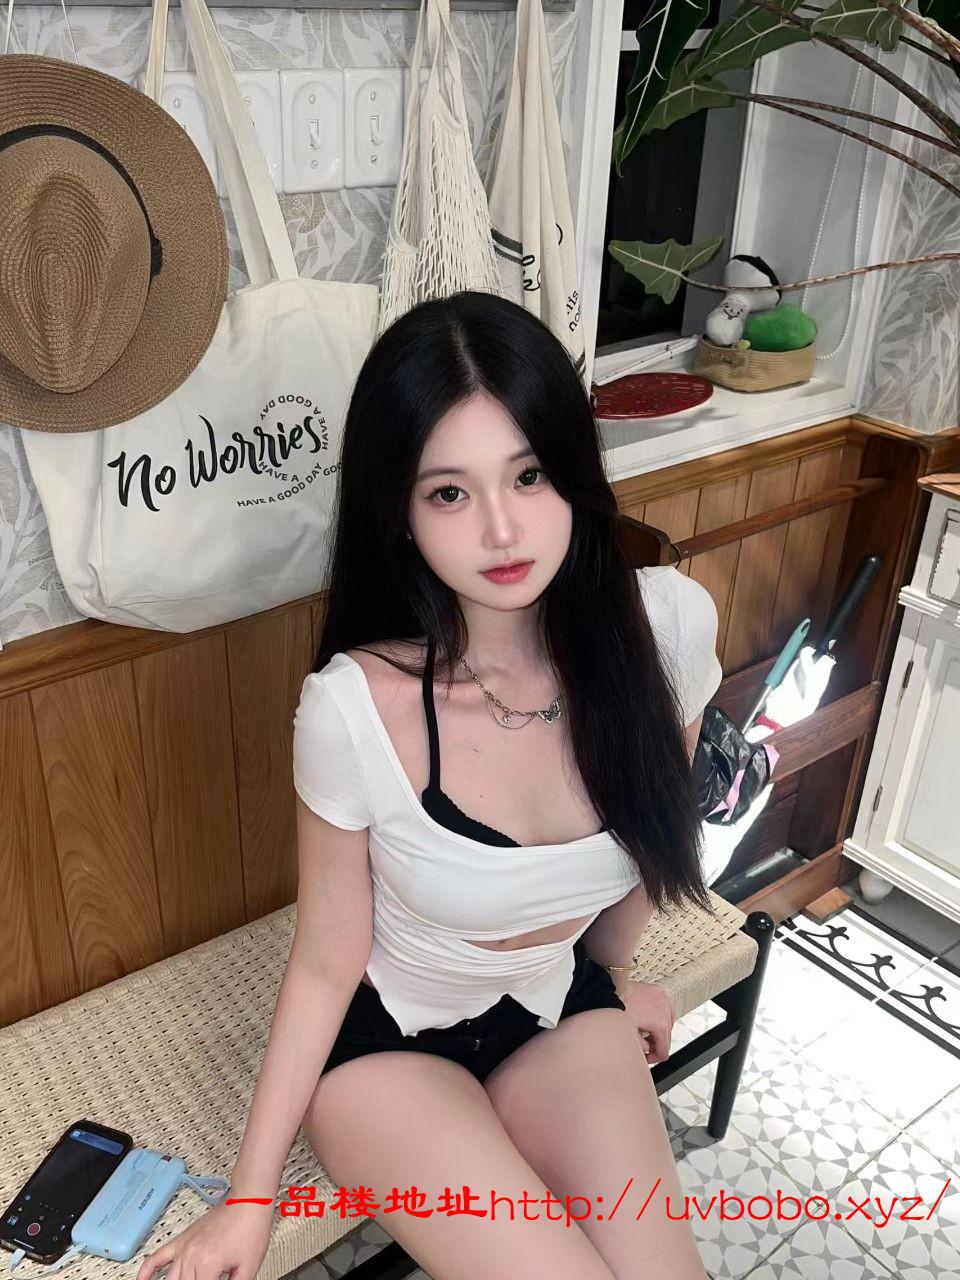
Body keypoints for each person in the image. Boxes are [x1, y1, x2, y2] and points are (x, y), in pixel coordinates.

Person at [136, 292, 723, 1280]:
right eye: (449, 492)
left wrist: (618, 977)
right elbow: (325, 962)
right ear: (401, 514)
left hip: (554, 1003)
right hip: (387, 1051)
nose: (502, 528)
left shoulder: (665, 629)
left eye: (529, 474)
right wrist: (247, 1200)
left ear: (574, 470)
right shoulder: (353, 708)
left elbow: (648, 840)